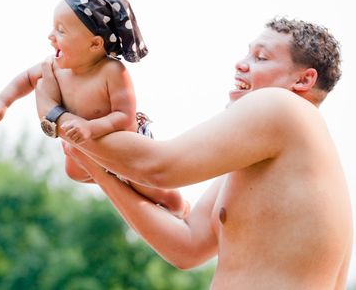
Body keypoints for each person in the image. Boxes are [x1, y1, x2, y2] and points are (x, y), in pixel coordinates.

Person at [35, 17, 353, 289]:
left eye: (261, 58)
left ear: (303, 79)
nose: (241, 63)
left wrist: (57, 117)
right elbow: (188, 246)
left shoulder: (282, 105)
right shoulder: (267, 156)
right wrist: (94, 162)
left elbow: (158, 167)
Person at [0, 0, 189, 218]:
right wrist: (2, 101)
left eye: (61, 31)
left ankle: (178, 205)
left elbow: (124, 116)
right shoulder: (54, 67)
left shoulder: (112, 72)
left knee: (148, 187)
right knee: (74, 172)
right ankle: (117, 183)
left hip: (123, 150)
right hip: (89, 152)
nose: (51, 37)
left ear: (95, 44)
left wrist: (91, 128)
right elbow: (26, 79)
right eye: (53, 28)